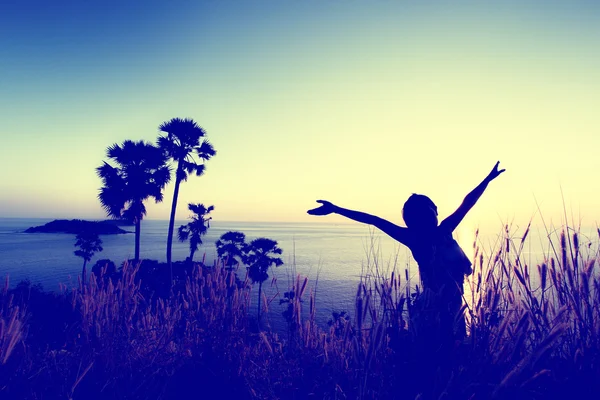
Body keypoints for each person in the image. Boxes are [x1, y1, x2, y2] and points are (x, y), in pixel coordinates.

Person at [307, 161, 505, 342]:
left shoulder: (413, 237)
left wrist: (336, 209)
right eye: (431, 209)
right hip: (446, 306)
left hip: (432, 306)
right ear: (430, 213)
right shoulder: (442, 231)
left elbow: (373, 219)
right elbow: (467, 203)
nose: (435, 211)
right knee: (451, 348)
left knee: (437, 351)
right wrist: (487, 180)